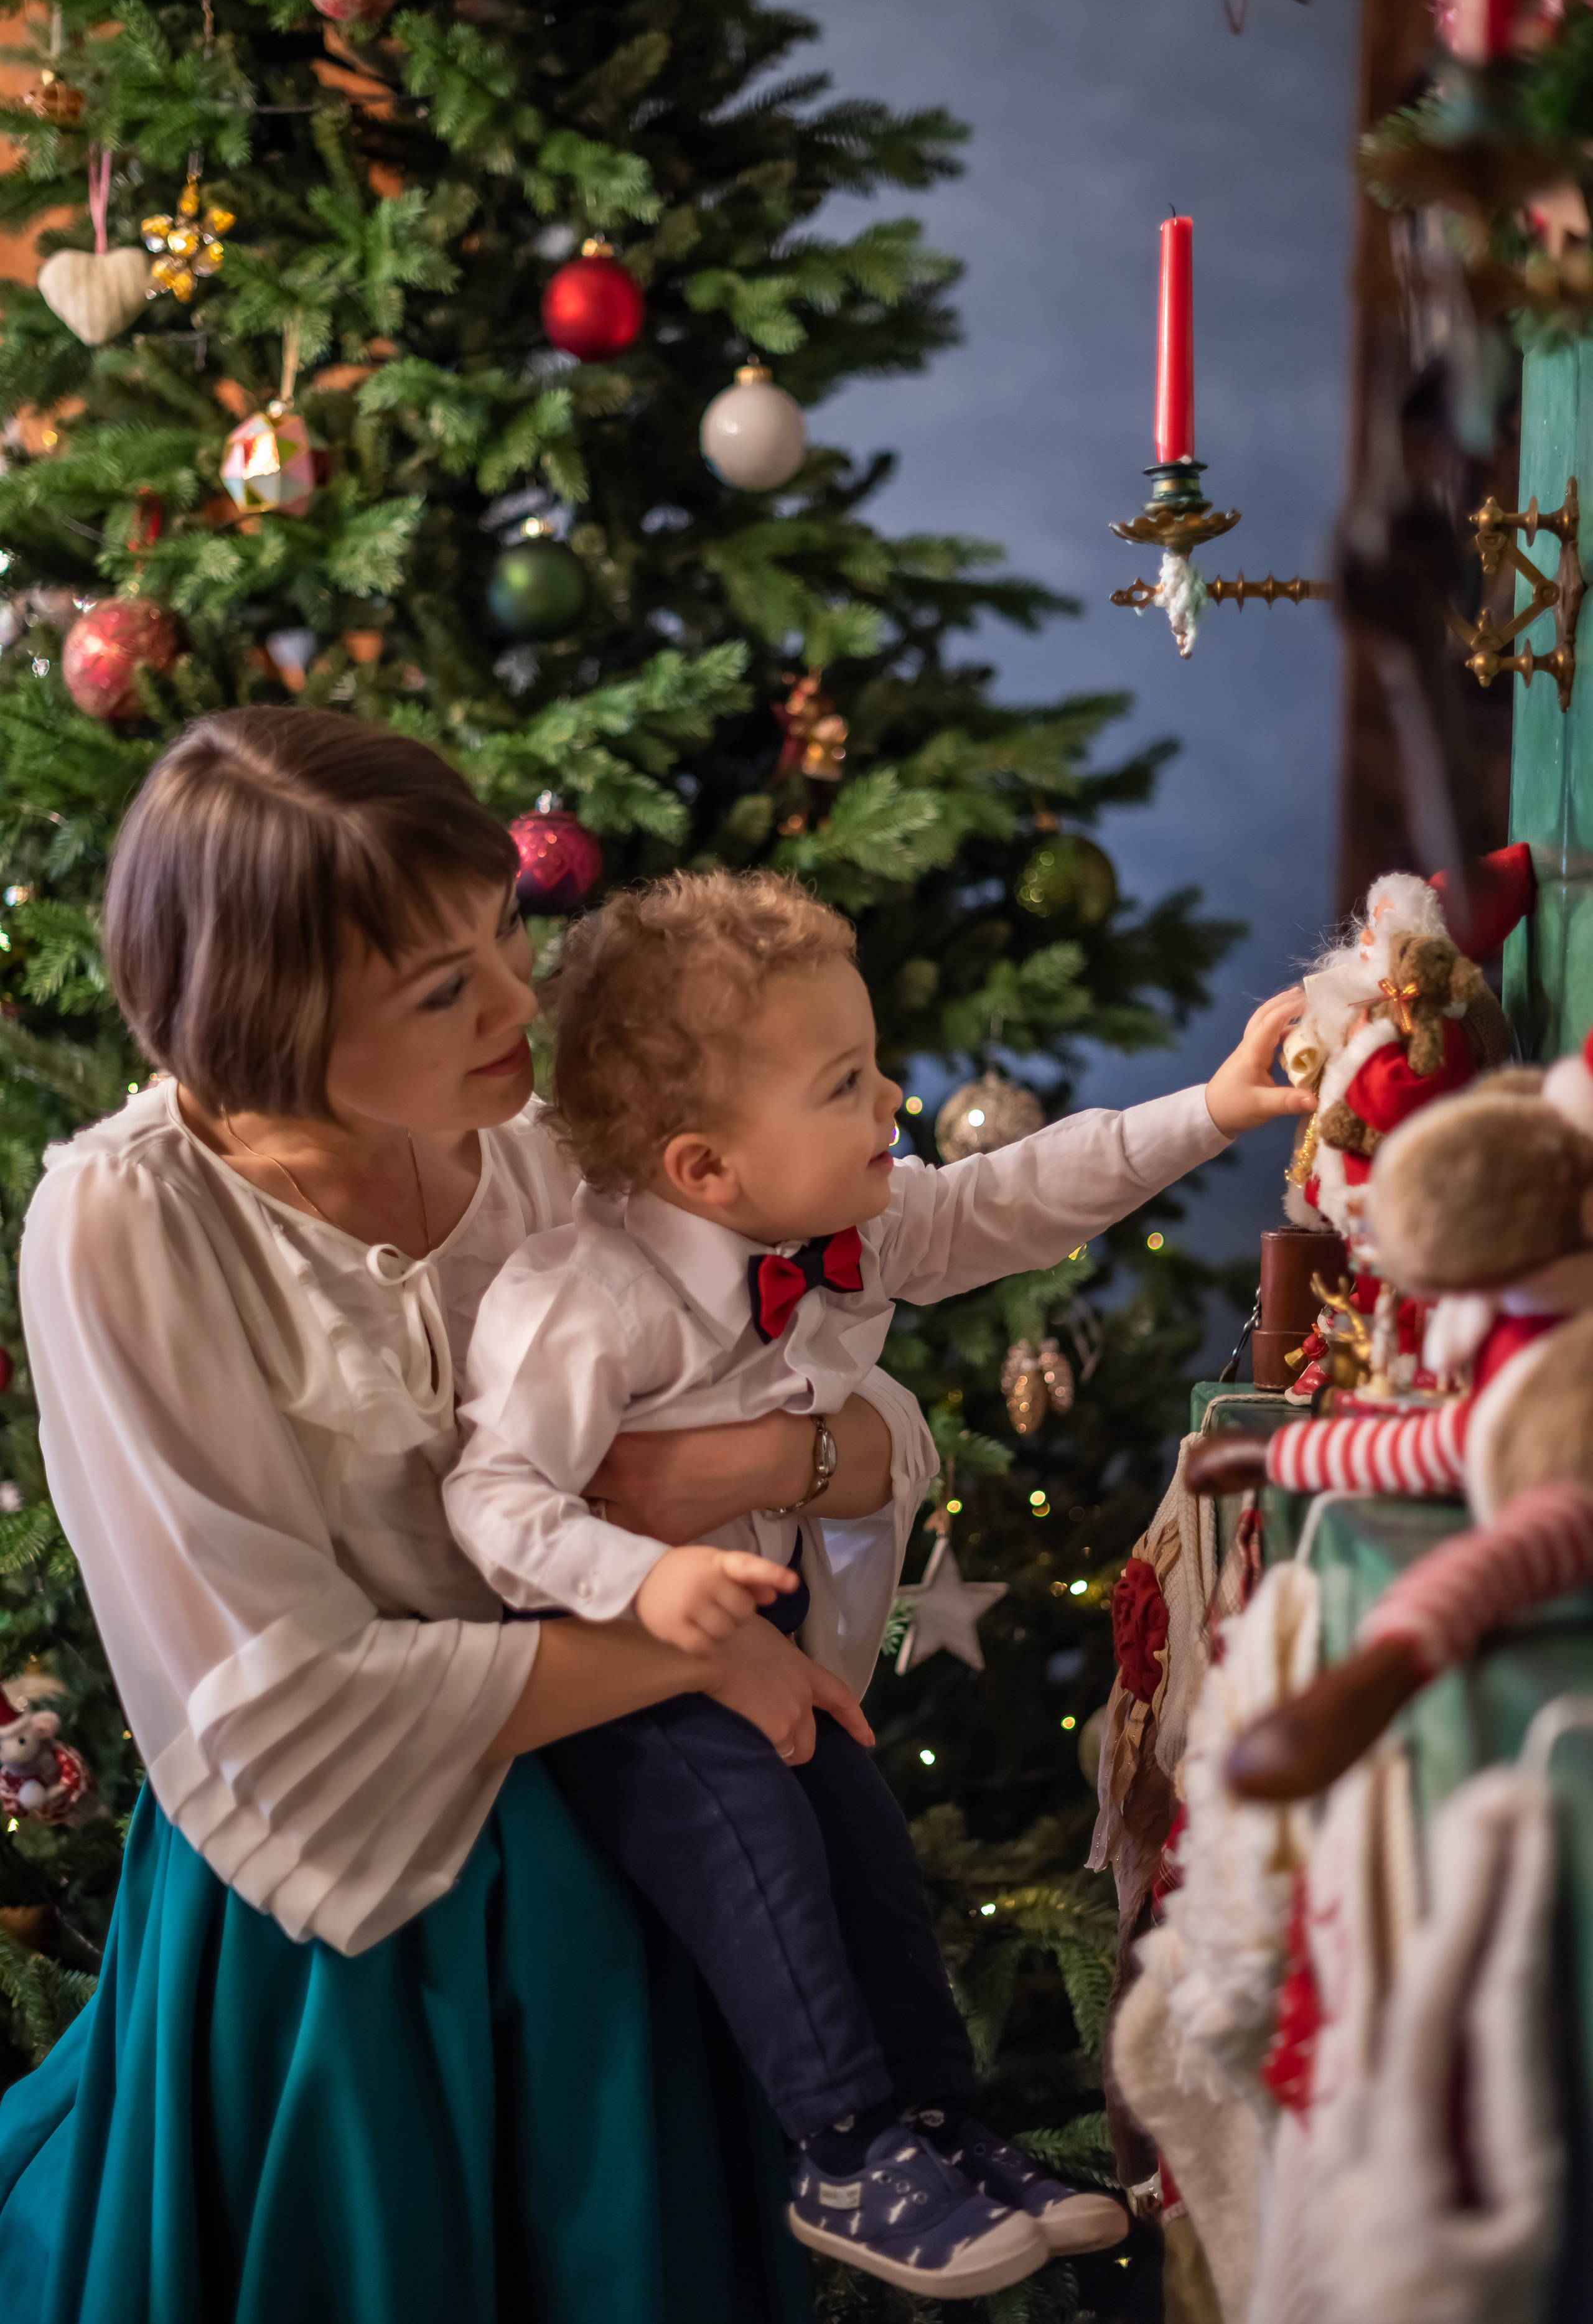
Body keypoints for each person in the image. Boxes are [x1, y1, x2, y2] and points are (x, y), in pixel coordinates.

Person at [0, 707, 933, 2324]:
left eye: (506, 921)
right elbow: (276, 1699)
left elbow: (860, 1418)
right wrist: (697, 1649)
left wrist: (751, 1473)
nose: (523, 999)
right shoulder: (123, 1222)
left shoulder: (551, 1138)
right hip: (346, 1917)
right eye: (444, 990)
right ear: (268, 1027)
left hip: (641, 1840)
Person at [443, 869, 1311, 2298]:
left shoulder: (842, 1224)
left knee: (863, 1849)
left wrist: (1204, 1112)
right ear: (703, 1168)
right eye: (847, 1083)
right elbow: (491, 1497)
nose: (893, 1101)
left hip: (761, 1641)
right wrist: (641, 1589)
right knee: (769, 1866)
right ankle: (843, 2142)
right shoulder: (579, 1301)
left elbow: (1013, 1195)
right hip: (621, 1674)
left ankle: (940, 2123)